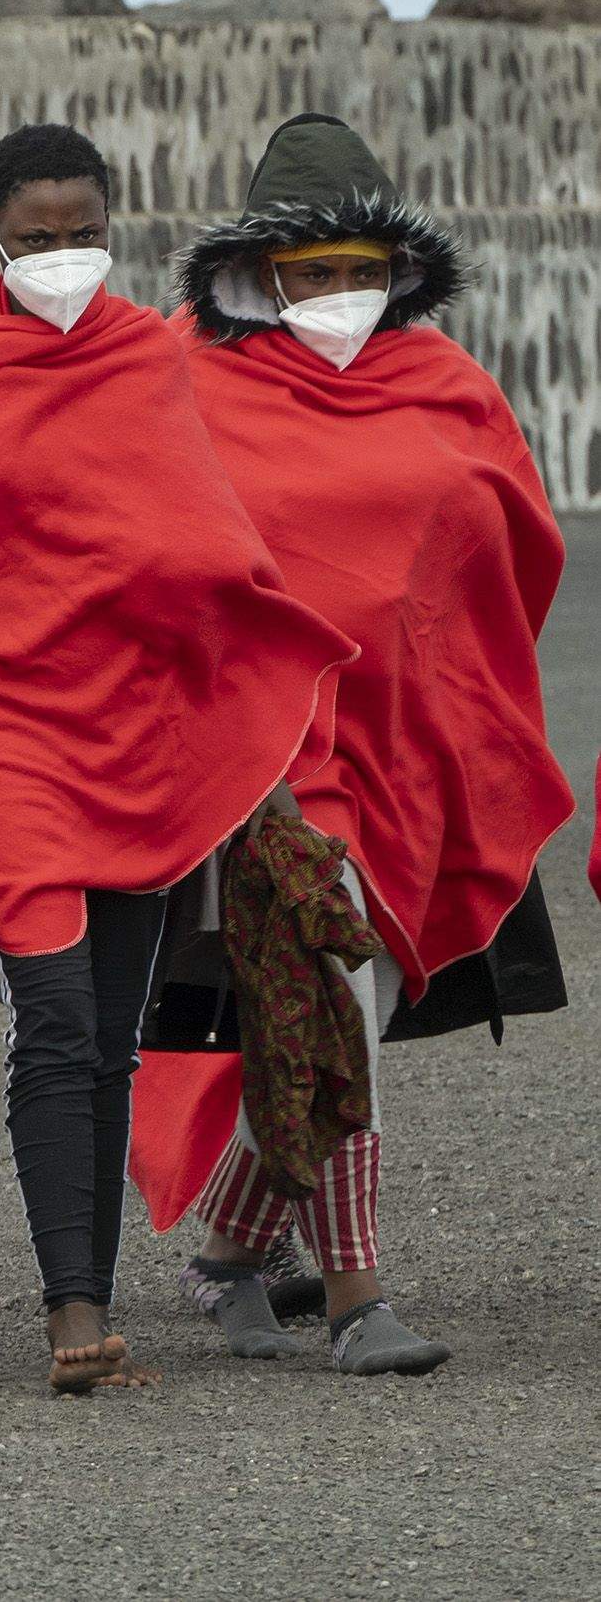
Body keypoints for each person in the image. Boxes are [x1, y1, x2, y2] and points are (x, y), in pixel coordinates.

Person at [0, 122, 357, 1395]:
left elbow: (216, 552)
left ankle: (90, 1293)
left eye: (83, 231)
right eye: (36, 237)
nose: (62, 255)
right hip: (3, 739)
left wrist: (260, 731)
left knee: (110, 1036)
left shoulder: (156, 364)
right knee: (51, 1022)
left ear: (115, 224)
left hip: (145, 742)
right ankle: (73, 1310)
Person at [130, 113, 573, 1376]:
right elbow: (134, 547)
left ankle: (227, 1248)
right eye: (308, 270)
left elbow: (507, 553)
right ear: (255, 274)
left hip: (413, 737)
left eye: (360, 269)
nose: (336, 294)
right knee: (331, 989)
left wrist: (444, 671)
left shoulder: (447, 384)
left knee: (340, 1000)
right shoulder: (175, 382)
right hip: (254, 747)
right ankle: (357, 1297)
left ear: (401, 272)